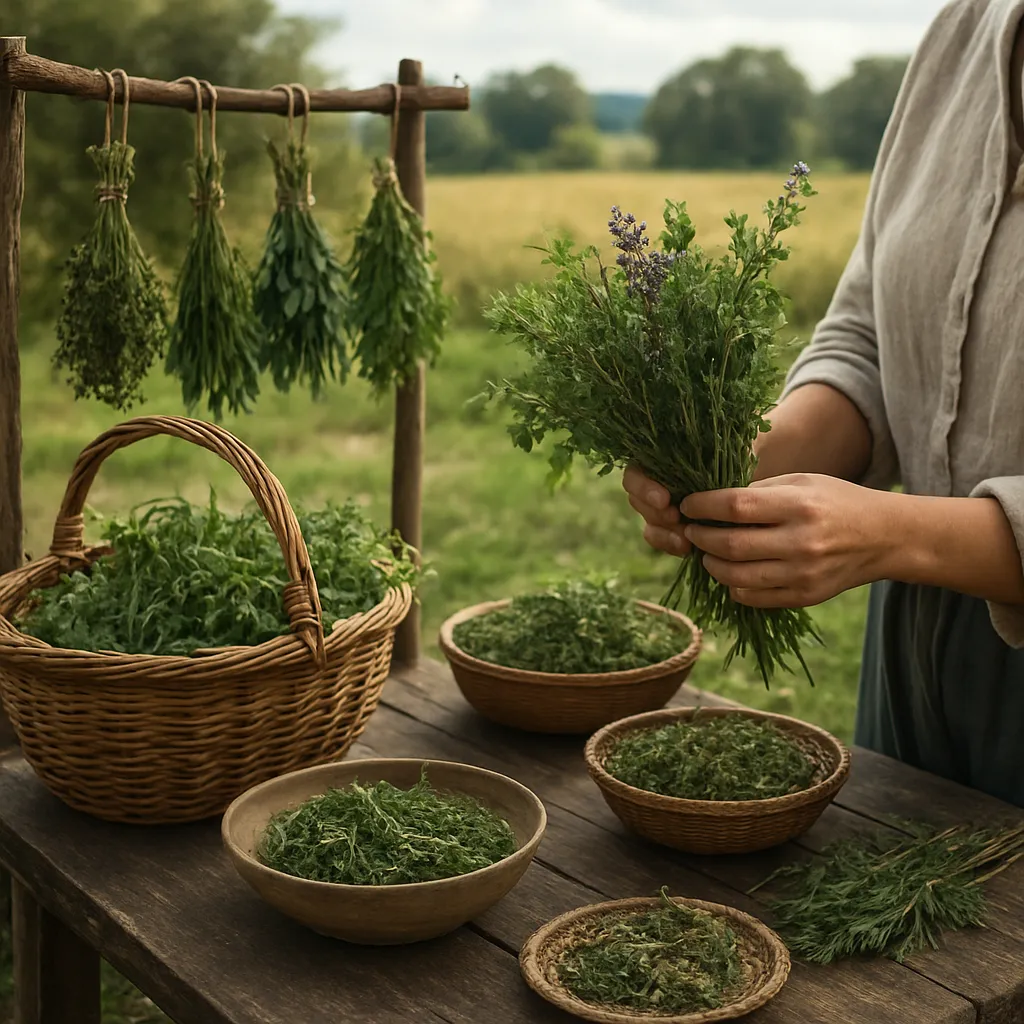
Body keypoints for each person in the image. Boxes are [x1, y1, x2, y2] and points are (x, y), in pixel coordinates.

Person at [623, 0, 1024, 807]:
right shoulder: (965, 29)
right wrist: (754, 457)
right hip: (914, 631)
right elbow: (871, 332)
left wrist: (897, 533)